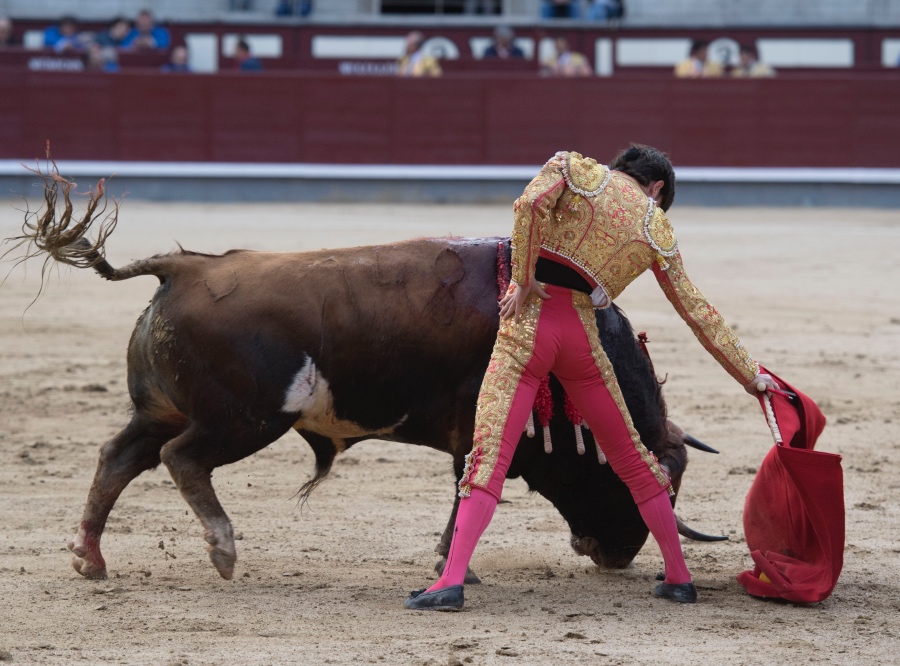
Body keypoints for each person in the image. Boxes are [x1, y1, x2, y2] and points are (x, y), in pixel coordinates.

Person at [403, 145, 777, 611]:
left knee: (490, 457)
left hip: (530, 326)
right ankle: (679, 578)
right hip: (582, 337)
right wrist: (751, 376)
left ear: (623, 169)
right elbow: (697, 311)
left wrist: (522, 279)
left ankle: (450, 583)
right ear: (656, 188)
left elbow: (529, 205)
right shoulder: (656, 228)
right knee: (636, 462)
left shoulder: (574, 168)